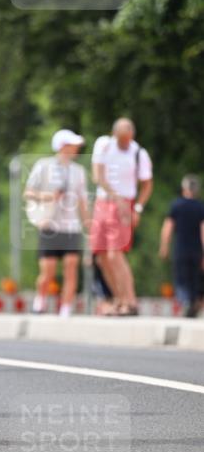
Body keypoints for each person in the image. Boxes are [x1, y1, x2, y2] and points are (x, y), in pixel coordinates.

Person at [90, 118, 153, 316]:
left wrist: (138, 208)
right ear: (114, 134)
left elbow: (147, 184)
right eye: (122, 140)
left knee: (114, 253)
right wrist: (114, 196)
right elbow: (97, 176)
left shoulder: (138, 153)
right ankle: (118, 299)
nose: (126, 144)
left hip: (125, 205)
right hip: (103, 202)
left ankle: (130, 301)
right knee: (101, 257)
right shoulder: (104, 145)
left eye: (128, 140)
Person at [24, 129, 89, 317]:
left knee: (71, 267)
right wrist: (48, 197)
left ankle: (66, 308)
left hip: (71, 226)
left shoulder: (79, 172)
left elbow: (83, 201)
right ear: (63, 146)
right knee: (48, 271)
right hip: (49, 224)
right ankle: (40, 300)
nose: (77, 148)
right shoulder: (43, 166)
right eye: (73, 145)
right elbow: (28, 193)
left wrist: (88, 225)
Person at [159, 175, 204, 318]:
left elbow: (168, 226)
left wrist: (164, 246)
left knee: (181, 279)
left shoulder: (176, 205)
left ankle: (185, 302)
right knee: (194, 279)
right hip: (196, 250)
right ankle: (193, 302)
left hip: (180, 249)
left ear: (184, 188)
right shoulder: (200, 207)